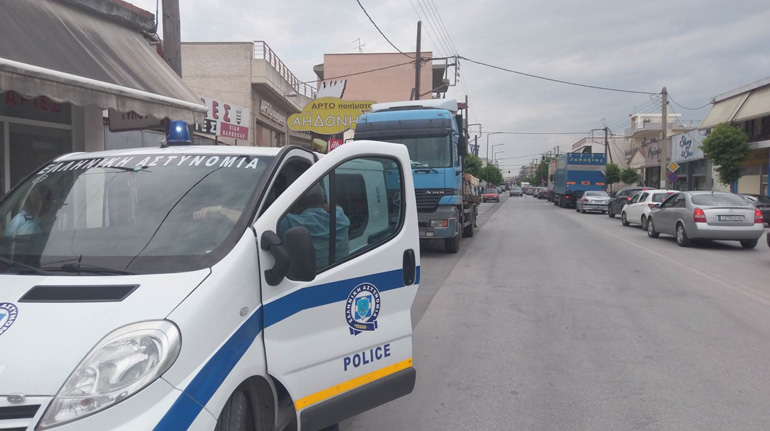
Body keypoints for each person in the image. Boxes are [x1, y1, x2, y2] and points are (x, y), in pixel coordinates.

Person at [278, 183, 350, 269]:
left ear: (295, 205)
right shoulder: (341, 219)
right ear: (323, 201)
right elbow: (337, 207)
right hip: (340, 272)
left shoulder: (289, 222)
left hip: (310, 276)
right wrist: (323, 204)